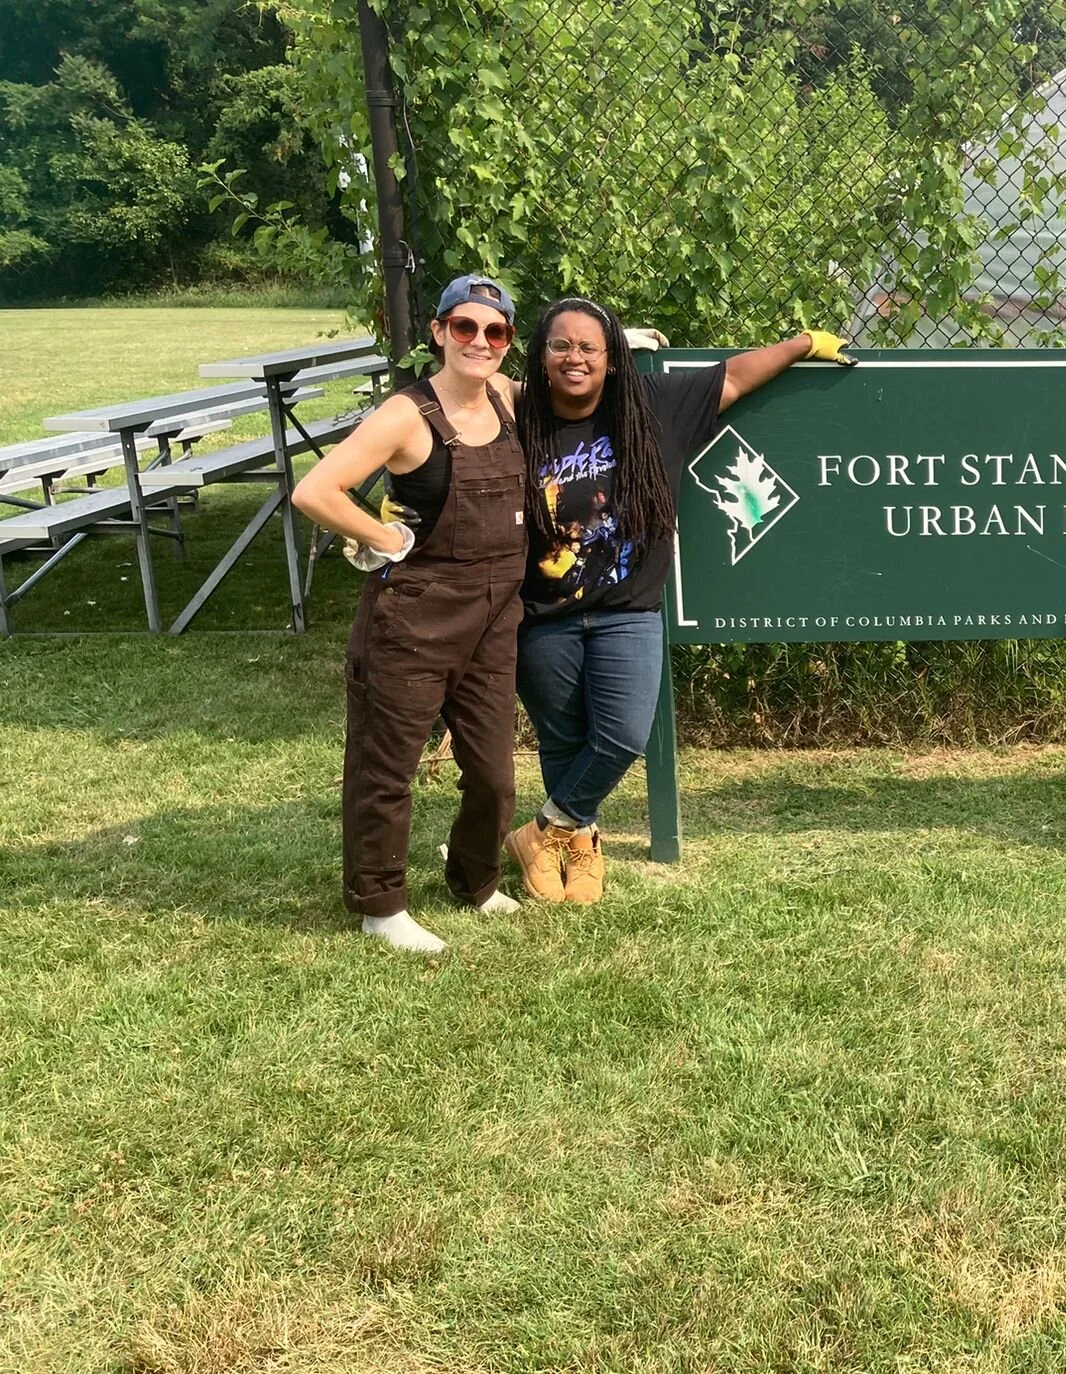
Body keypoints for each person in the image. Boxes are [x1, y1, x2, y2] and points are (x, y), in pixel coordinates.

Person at [502, 300, 855, 903]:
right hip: (543, 614)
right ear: (540, 355)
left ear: (613, 359)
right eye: (560, 345)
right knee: (561, 739)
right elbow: (465, 376)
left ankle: (541, 833)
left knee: (620, 736)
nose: (574, 357)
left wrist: (800, 344)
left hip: (627, 611)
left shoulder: (651, 407)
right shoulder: (515, 412)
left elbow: (735, 376)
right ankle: (578, 845)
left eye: (590, 347)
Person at [292, 274, 528, 954]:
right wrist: (384, 536)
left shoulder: (508, 401)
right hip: (414, 619)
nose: (480, 342)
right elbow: (316, 489)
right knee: (386, 766)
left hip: (493, 620)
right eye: (465, 328)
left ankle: (475, 879)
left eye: (495, 331)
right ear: (439, 332)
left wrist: (624, 345)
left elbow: (574, 382)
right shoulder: (406, 415)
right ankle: (381, 904)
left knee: (492, 772)